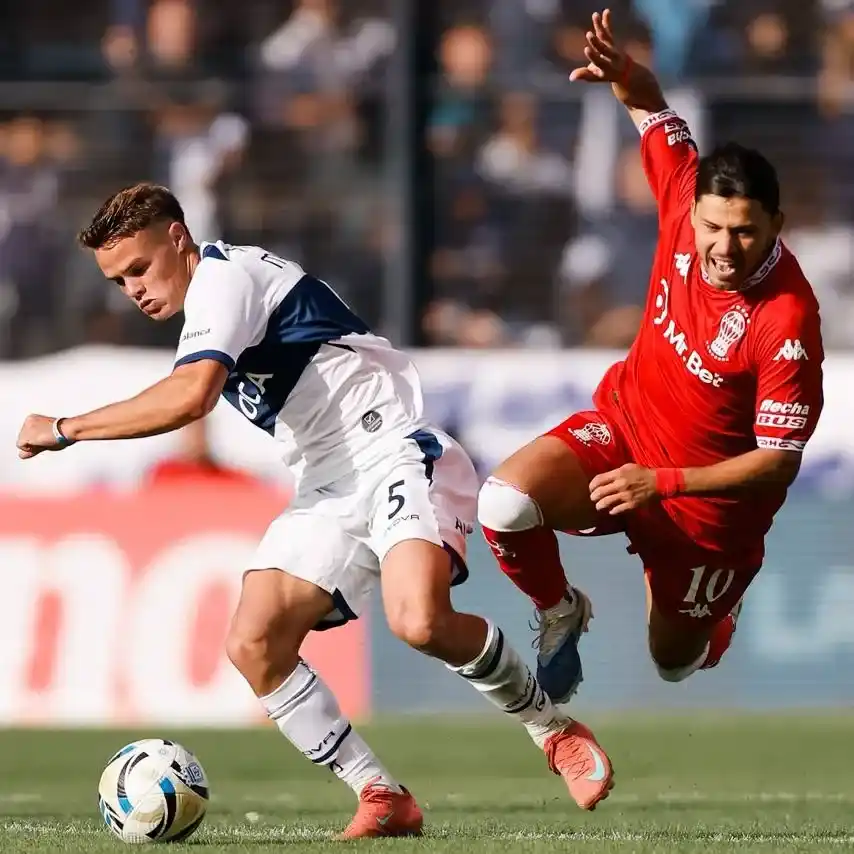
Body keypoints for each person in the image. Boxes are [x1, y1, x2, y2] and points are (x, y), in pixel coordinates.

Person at [15, 183, 614, 836]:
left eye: (139, 268)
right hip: (327, 485)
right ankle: (380, 794)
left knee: (419, 621)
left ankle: (552, 730)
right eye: (118, 280)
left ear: (178, 238)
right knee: (255, 644)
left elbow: (190, 397)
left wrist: (66, 429)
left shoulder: (224, 280)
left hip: (393, 450)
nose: (133, 289)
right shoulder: (210, 298)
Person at [476, 7, 824, 803]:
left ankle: (713, 620)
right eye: (713, 227)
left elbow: (778, 464)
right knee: (504, 503)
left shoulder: (787, 319)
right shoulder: (680, 193)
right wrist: (626, 74)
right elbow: (652, 111)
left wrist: (660, 485)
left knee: (673, 663)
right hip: (624, 431)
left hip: (705, 515)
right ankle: (560, 609)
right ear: (692, 209)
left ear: (775, 224)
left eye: (745, 232)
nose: (724, 248)